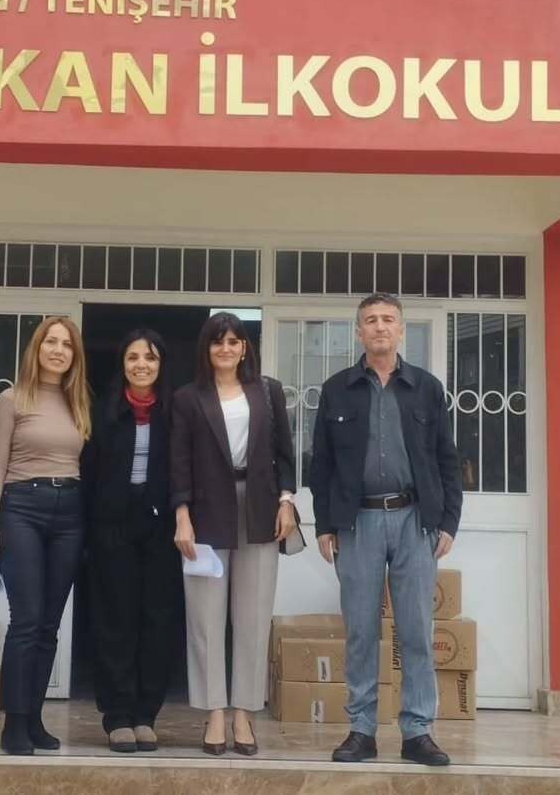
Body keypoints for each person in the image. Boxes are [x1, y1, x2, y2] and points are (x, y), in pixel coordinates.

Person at [309, 292, 462, 767]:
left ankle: (418, 732)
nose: (379, 327)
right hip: (357, 522)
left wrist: (448, 521)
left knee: (416, 630)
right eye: (371, 320)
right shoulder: (337, 390)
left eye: (388, 319)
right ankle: (361, 730)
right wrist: (325, 524)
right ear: (358, 332)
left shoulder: (426, 388)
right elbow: (321, 464)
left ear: (401, 330)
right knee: (360, 630)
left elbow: (447, 458)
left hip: (415, 520)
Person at [170, 311, 296, 756]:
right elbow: (179, 460)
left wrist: (287, 501)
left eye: (233, 341)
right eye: (217, 341)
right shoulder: (188, 397)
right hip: (205, 513)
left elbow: (284, 452)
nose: (225, 349)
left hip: (260, 508)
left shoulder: (268, 391)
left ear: (245, 347)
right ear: (206, 349)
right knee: (205, 617)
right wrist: (182, 515)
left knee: (253, 615)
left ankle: (244, 712)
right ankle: (214, 714)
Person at [0, 316, 91, 755]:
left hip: (70, 513)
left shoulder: (78, 401)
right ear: (37, 348)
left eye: (67, 344)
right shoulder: (12, 398)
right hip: (21, 507)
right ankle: (14, 724)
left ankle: (35, 718)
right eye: (51, 342)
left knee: (49, 624)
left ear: (74, 355)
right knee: (26, 620)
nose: (58, 350)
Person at [81, 329, 183, 753]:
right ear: (122, 364)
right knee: (115, 621)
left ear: (162, 365)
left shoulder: (175, 411)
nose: (142, 365)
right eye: (133, 357)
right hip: (112, 526)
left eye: (150, 358)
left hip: (161, 527)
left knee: (157, 621)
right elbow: (88, 473)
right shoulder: (102, 410)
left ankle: (146, 715)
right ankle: (118, 715)